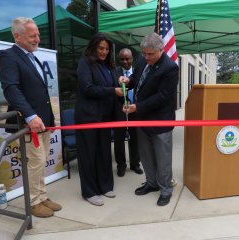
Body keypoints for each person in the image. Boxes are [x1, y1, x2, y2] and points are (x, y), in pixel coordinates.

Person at [0, 17, 61, 218]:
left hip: (44, 122)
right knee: (36, 161)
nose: (38, 39)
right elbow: (11, 89)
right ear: (17, 36)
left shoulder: (34, 58)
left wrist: (49, 119)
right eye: (33, 35)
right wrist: (30, 116)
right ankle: (33, 202)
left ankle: (42, 196)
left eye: (38, 35)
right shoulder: (7, 56)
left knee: (42, 161)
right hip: (29, 123)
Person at [120, 33, 179, 206]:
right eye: (144, 53)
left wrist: (137, 107)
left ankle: (166, 189)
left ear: (161, 50)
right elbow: (136, 80)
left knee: (163, 158)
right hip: (142, 119)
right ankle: (152, 183)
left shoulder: (170, 68)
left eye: (150, 54)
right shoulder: (142, 60)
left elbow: (162, 97)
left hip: (160, 121)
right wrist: (127, 80)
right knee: (146, 155)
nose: (146, 57)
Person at [74, 33, 124, 206]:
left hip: (105, 117)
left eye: (107, 49)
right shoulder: (85, 63)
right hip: (88, 117)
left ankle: (105, 186)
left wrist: (120, 83)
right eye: (101, 48)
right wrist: (112, 91)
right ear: (94, 47)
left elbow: (113, 87)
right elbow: (88, 88)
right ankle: (89, 191)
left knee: (103, 152)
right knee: (88, 155)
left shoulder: (109, 66)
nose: (104, 52)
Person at [114, 48, 143, 177]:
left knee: (135, 138)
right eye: (122, 59)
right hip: (120, 110)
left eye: (128, 58)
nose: (125, 61)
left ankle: (135, 164)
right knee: (119, 139)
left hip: (135, 110)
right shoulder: (114, 73)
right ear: (118, 59)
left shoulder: (138, 72)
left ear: (132, 58)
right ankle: (121, 165)